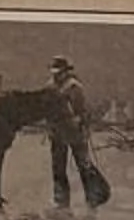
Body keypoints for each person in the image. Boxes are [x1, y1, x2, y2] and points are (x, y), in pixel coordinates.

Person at [44, 55, 111, 210]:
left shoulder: (74, 87)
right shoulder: (49, 86)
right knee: (58, 168)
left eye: (59, 72)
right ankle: (61, 200)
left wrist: (81, 124)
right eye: (54, 72)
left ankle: (93, 197)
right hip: (57, 133)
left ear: (66, 71)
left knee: (84, 166)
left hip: (75, 132)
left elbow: (82, 111)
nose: (56, 75)